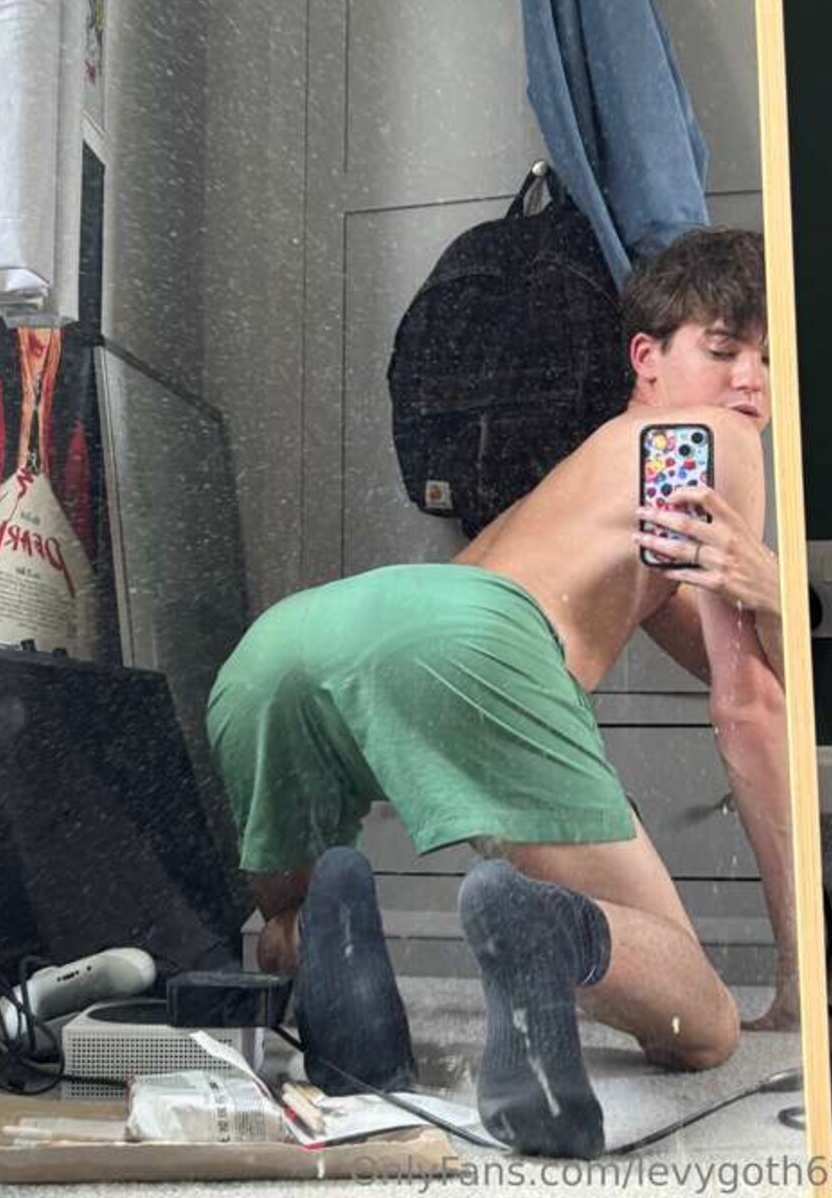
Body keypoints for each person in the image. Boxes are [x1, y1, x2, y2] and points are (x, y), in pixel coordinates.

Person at [205, 227, 792, 1159]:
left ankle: (338, 977)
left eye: (771, 358)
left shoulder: (583, 485)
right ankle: (552, 934)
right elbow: (748, 707)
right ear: (646, 359)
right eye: (725, 351)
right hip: (472, 641)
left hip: (292, 640)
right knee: (703, 1027)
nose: (752, 383)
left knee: (287, 911)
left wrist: (771, 597)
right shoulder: (706, 439)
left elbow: (718, 643)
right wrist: (796, 983)